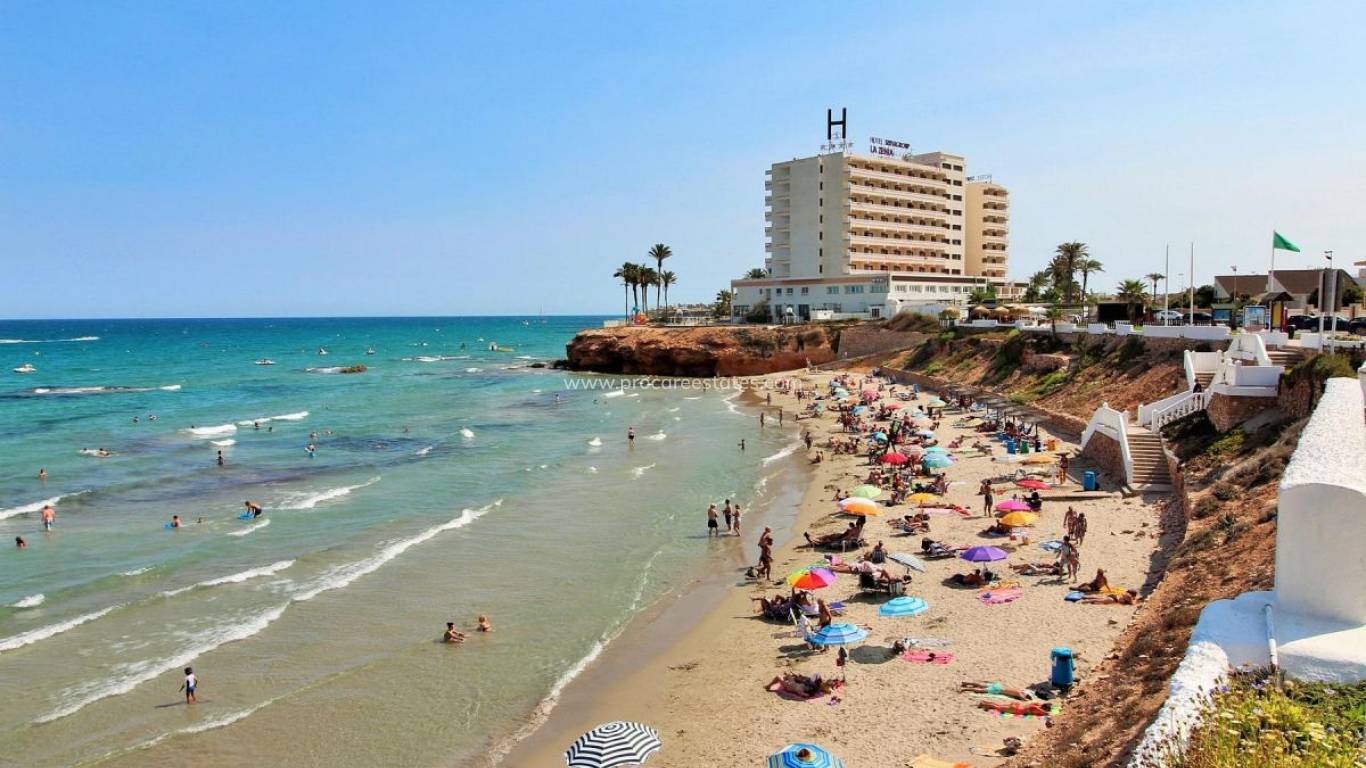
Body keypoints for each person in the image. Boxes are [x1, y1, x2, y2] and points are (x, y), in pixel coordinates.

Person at [960, 681, 1033, 700]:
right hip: (998, 690)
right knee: (980, 690)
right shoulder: (1019, 693)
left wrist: (1028, 694)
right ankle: (965, 689)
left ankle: (966, 683)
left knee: (980, 685)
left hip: (999, 685)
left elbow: (1025, 691)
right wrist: (1027, 699)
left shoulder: (1019, 690)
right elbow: (1022, 698)